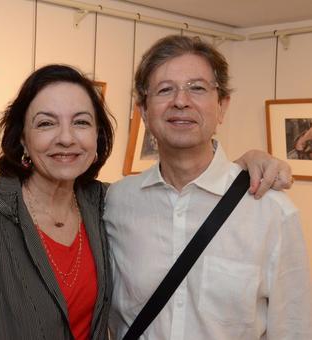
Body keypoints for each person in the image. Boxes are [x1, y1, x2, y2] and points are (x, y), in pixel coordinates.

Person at [0, 64, 293, 340]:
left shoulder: (107, 203)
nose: (65, 138)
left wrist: (248, 163)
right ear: (23, 140)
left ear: (97, 137)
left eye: (81, 122)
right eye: (46, 124)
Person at [105, 35, 311, 339]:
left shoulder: (270, 212)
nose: (180, 101)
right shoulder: (116, 202)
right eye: (165, 90)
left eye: (197, 88)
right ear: (144, 112)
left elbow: (294, 329)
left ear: (222, 106)